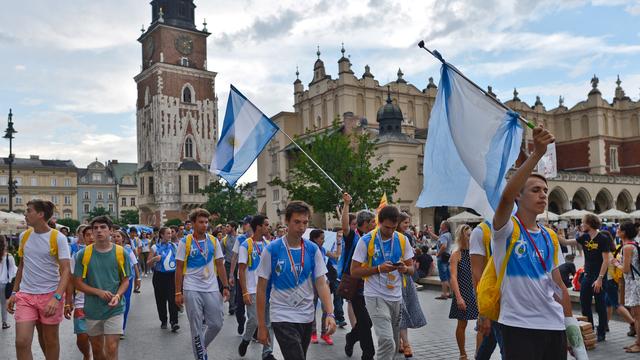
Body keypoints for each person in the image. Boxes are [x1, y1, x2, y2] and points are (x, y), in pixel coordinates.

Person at [491, 126, 575, 359]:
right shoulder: (505, 230)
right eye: (535, 190)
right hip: (519, 326)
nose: (543, 195)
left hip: (554, 325)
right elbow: (506, 197)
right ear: (520, 194)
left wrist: (571, 327)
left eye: (546, 191)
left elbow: (559, 287)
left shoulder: (549, 235)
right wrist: (537, 154)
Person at [256, 201, 336, 360]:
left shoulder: (312, 250)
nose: (301, 227)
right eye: (297, 222)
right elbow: (261, 288)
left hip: (306, 315)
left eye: (305, 222)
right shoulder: (272, 250)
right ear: (287, 221)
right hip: (281, 315)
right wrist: (262, 326)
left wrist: (330, 313)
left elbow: (321, 283)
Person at [7, 199, 72, 360]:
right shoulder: (24, 236)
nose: (25, 214)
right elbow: (22, 266)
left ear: (41, 214)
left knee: (49, 341)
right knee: (21, 342)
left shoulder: (58, 238)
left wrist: (57, 298)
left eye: (29, 211)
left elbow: (66, 270)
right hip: (26, 296)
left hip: (50, 295)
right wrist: (14, 292)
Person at [351, 205, 414, 360]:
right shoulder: (366, 240)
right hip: (375, 296)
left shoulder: (402, 239)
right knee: (386, 341)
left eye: (394, 227)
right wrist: (378, 269)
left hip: (396, 297)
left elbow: (412, 269)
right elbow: (354, 271)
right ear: (379, 222)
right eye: (387, 227)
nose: (390, 231)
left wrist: (405, 269)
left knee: (392, 342)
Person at [175, 208, 230, 360]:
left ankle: (201, 347)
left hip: (211, 287)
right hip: (191, 288)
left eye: (206, 222)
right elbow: (179, 268)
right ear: (193, 223)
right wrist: (177, 292)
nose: (204, 225)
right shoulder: (184, 242)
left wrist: (225, 286)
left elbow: (219, 264)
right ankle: (200, 356)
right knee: (196, 326)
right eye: (201, 222)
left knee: (217, 323)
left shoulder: (213, 241)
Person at [73, 216, 131, 360]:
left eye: (103, 227)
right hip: (93, 309)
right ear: (92, 232)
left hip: (115, 308)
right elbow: (78, 283)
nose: (99, 231)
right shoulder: (83, 255)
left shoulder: (120, 252)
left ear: (111, 231)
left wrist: (118, 296)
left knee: (111, 348)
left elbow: (125, 281)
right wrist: (98, 292)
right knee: (98, 351)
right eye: (95, 228)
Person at [559, 213, 611, 341]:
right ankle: (590, 329)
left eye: (583, 222)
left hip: (599, 277)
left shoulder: (602, 238)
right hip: (587, 276)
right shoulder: (585, 237)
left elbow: (606, 260)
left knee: (600, 306)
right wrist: (551, 233)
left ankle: (601, 332)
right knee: (585, 304)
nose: (581, 225)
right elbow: (566, 242)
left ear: (590, 224)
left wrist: (600, 278)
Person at [341, 193, 376, 360]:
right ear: (363, 225)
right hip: (356, 286)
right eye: (372, 223)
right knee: (364, 321)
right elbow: (345, 226)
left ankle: (351, 337)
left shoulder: (375, 239)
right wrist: (346, 204)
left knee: (367, 322)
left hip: (372, 285)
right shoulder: (353, 238)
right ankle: (368, 354)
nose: (375, 225)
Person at [237, 215, 275, 360]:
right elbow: (241, 270)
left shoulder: (268, 244)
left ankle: (267, 352)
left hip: (267, 290)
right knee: (253, 319)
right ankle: (246, 339)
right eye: (266, 224)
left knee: (268, 322)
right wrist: (245, 292)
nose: (268, 227)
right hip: (252, 289)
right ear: (258, 227)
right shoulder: (245, 245)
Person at [469, 221, 504, 360]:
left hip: (511, 298)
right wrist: (483, 313)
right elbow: (477, 275)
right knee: (505, 347)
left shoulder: (518, 227)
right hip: (493, 300)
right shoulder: (481, 232)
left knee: (489, 341)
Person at [397, 212, 426, 358]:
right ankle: (403, 342)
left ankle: (403, 342)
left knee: (405, 309)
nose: (408, 226)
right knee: (399, 309)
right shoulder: (390, 236)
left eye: (408, 223)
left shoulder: (406, 237)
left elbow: (410, 259)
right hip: (392, 278)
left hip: (405, 276)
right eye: (405, 223)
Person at [449, 224, 479, 360]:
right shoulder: (456, 254)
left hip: (477, 293)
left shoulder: (476, 254)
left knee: (482, 324)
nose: (471, 237)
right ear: (461, 236)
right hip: (463, 292)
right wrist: (459, 298)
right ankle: (462, 353)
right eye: (468, 235)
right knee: (462, 324)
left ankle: (479, 353)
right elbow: (453, 278)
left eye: (472, 235)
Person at [613, 222, 640, 353]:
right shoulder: (633, 244)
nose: (617, 230)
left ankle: (639, 344)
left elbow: (626, 269)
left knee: (637, 316)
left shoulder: (627, 247)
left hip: (635, 285)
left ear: (624, 232)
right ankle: (637, 342)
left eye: (619, 229)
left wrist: (616, 263)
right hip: (634, 283)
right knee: (636, 315)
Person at [69, 225, 93, 360]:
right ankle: (86, 354)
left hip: (101, 302)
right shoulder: (78, 256)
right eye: (87, 235)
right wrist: (68, 302)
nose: (91, 237)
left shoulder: (110, 253)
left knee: (99, 340)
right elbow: (70, 279)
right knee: (82, 337)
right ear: (83, 237)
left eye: (93, 234)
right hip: (81, 301)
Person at [148, 227, 179, 332]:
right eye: (168, 233)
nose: (170, 235)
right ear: (161, 235)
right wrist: (154, 259)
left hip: (172, 276)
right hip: (159, 276)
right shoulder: (155, 247)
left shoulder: (174, 246)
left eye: (171, 233)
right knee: (161, 300)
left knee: (172, 300)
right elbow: (148, 263)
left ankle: (174, 322)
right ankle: (163, 320)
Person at [111, 229, 140, 338]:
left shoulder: (128, 250)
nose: (116, 239)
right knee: (114, 301)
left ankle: (121, 328)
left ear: (123, 238)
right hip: (114, 280)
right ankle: (113, 326)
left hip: (128, 279)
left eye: (118, 236)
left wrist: (138, 278)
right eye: (114, 236)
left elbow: (135, 264)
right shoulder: (109, 250)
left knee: (125, 302)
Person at [308, 229, 332, 345]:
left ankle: (324, 333)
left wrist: (338, 242)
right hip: (311, 282)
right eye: (321, 238)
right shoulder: (309, 250)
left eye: (323, 238)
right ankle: (312, 333)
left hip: (323, 281)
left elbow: (336, 256)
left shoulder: (322, 250)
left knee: (326, 308)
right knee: (312, 307)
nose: (323, 241)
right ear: (314, 239)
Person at [230, 217, 252, 334]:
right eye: (243, 224)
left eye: (245, 224)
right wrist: (231, 275)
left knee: (254, 307)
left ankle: (254, 330)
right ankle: (241, 320)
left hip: (255, 279)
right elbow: (234, 257)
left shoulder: (260, 240)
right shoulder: (241, 239)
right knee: (239, 306)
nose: (243, 226)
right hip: (241, 277)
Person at [326, 228, 346, 328]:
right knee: (334, 296)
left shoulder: (344, 244)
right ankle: (338, 317)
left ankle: (338, 316)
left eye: (342, 235)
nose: (340, 236)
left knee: (339, 297)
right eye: (338, 235)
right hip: (331, 273)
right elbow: (335, 256)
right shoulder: (329, 244)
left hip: (340, 274)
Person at [429, 221, 453, 299]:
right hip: (448, 258)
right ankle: (451, 293)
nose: (440, 226)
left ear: (444, 226)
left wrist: (438, 254)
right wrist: (430, 232)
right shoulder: (448, 234)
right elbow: (438, 239)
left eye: (441, 225)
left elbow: (444, 246)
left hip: (442, 258)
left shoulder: (444, 236)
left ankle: (444, 294)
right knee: (449, 276)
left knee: (443, 277)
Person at [221, 221, 238, 315]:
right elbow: (219, 253)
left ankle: (237, 304)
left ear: (234, 228)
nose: (226, 228)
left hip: (239, 265)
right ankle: (232, 306)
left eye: (228, 226)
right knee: (231, 285)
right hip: (228, 264)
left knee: (238, 285)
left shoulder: (240, 239)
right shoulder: (224, 240)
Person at [1, 235, 17, 330]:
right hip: (4, 283)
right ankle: (4, 323)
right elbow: (12, 272)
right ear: (5, 244)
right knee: (3, 304)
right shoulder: (8, 256)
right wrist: (11, 282)